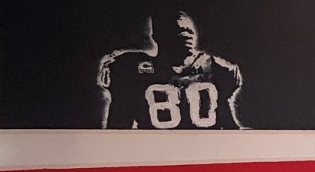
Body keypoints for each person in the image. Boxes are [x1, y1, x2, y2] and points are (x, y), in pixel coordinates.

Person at [98, 9, 243, 129]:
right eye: (179, 31)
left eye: (189, 31)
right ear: (158, 36)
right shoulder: (131, 69)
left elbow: (227, 124)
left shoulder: (218, 69)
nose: (186, 36)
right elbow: (118, 128)